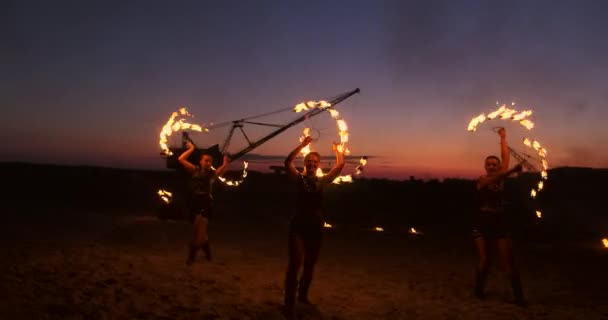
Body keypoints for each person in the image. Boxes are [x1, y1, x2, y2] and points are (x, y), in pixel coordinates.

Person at [282, 136, 345, 318]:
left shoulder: (323, 181)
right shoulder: (298, 178)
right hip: (298, 226)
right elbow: (287, 162)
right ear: (305, 163)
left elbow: (340, 165)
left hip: (316, 227)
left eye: (314, 161)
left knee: (310, 265)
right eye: (309, 160)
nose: (311, 163)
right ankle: (289, 302)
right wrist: (302, 145)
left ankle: (303, 295)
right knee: (296, 263)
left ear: (319, 164)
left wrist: (338, 150)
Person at [473, 127, 526, 306]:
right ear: (485, 167)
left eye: (495, 164)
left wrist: (503, 137)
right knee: (485, 260)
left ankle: (519, 296)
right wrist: (511, 171)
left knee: (507, 261)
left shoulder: (501, 178)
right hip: (482, 223)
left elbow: (505, 157)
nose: (492, 166)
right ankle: (478, 290)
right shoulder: (482, 180)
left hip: (500, 222)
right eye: (489, 164)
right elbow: (500, 175)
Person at [178, 141, 230, 265]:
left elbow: (222, 170)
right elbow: (181, 159)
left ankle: (192, 257)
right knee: (200, 233)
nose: (208, 163)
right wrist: (191, 149)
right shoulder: (194, 170)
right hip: (194, 205)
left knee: (199, 233)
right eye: (206, 160)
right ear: (200, 162)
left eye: (210, 161)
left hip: (205, 205)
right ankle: (208, 253)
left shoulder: (212, 174)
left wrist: (225, 163)